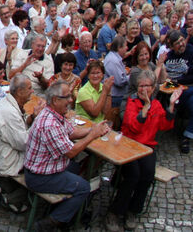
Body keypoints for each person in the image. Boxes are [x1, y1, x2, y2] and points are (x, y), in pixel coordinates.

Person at [24, 80, 111, 230]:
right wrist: (92, 136)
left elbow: (72, 132)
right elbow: (70, 152)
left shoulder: (55, 113)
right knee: (83, 187)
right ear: (55, 100)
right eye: (67, 97)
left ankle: (68, 209)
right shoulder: (50, 123)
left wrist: (93, 130)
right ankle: (49, 223)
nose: (71, 100)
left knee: (75, 168)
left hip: (45, 167)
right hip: (38, 177)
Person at [105, 70, 181, 231]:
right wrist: (145, 109)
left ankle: (133, 210)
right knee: (133, 176)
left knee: (147, 175)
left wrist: (172, 105)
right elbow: (133, 126)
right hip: (128, 146)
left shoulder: (157, 105)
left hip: (147, 148)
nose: (144, 89)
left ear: (153, 88)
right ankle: (114, 212)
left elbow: (165, 126)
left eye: (147, 85)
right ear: (137, 87)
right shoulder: (131, 102)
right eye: (141, 85)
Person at [0, 75, 40, 213]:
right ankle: (15, 198)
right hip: (4, 159)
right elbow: (24, 143)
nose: (32, 91)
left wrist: (33, 116)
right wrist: (38, 122)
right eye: (29, 88)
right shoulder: (9, 111)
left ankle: (5, 187)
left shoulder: (7, 102)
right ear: (19, 92)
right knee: (43, 164)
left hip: (0, 152)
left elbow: (18, 131)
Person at [76, 60, 116, 125]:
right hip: (85, 126)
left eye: (98, 73)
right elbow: (94, 113)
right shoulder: (83, 91)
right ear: (88, 76)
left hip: (99, 125)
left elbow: (105, 111)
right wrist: (105, 91)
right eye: (92, 73)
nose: (95, 76)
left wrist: (108, 92)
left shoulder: (103, 87)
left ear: (102, 75)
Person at [103, 35, 130, 109]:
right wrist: (132, 76)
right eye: (125, 46)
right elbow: (120, 81)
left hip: (117, 95)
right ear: (119, 48)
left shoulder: (115, 58)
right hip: (115, 97)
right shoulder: (113, 60)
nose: (127, 48)